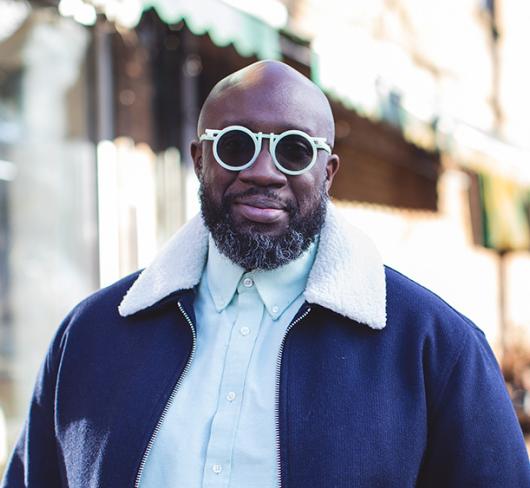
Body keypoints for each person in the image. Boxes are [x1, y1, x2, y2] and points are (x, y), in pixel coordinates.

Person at [2, 60, 529, 488]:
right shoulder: (91, 336)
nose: (262, 171)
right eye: (235, 144)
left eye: (294, 150)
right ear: (199, 159)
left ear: (328, 172)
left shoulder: (436, 346)